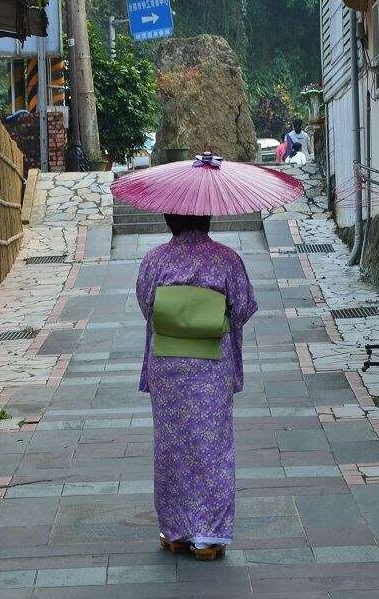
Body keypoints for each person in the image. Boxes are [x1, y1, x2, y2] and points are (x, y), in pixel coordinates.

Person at [135, 214, 258, 561]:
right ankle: (207, 535)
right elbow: (244, 307)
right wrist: (210, 315)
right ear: (207, 218)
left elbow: (147, 306)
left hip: (168, 362)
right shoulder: (227, 259)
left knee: (171, 444)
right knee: (212, 444)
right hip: (211, 363)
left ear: (168, 219)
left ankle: (175, 532)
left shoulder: (155, 259)